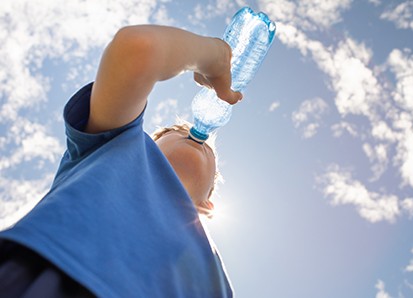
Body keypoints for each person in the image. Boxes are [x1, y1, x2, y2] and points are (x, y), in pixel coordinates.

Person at [0, 25, 242, 298]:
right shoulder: (115, 143)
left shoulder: (218, 283)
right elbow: (139, 47)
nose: (191, 135)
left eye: (210, 153)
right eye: (172, 132)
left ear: (207, 207)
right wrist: (214, 56)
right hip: (42, 272)